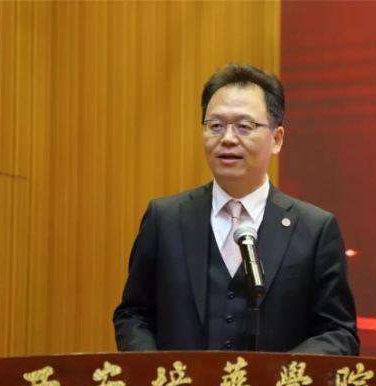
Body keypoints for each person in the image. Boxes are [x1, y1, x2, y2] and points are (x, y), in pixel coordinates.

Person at [113, 64, 359, 354]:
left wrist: (281, 372)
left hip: (275, 385)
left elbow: (338, 332)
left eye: (244, 126)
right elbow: (134, 315)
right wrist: (156, 371)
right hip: (180, 383)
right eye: (215, 125)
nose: (227, 138)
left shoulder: (314, 229)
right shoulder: (165, 219)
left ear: (277, 139)